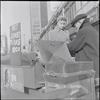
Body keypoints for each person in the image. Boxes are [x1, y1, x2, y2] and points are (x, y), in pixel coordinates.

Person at [67, 13, 99, 78]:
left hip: (88, 68)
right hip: (94, 66)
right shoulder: (92, 29)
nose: (76, 27)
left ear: (79, 22)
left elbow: (72, 47)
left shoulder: (83, 30)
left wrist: (63, 45)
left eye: (75, 25)